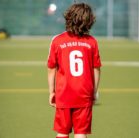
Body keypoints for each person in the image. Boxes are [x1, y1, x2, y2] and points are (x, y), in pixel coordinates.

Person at [47, 3, 101, 138]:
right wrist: (94, 92)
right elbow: (96, 69)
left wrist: (51, 92)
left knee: (62, 132)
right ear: (89, 21)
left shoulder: (57, 40)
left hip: (63, 93)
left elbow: (51, 69)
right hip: (84, 93)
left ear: (68, 18)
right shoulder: (92, 42)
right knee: (81, 133)